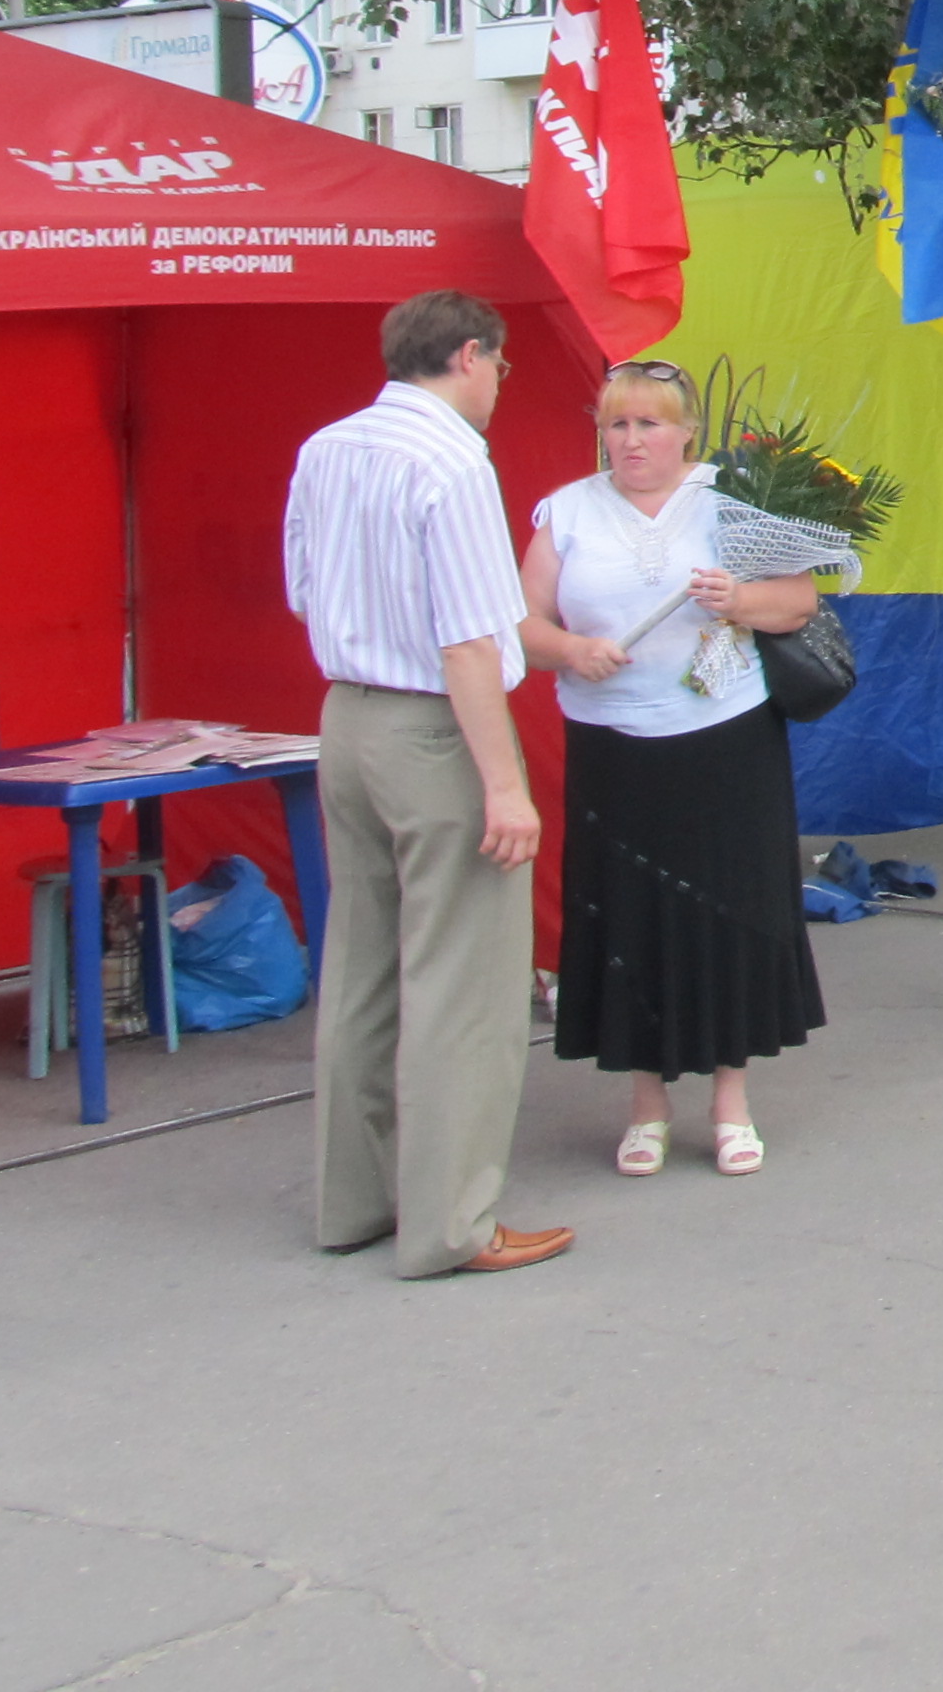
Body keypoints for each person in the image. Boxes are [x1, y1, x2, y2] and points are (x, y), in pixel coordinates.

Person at [282, 289, 567, 1276]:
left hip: (347, 715)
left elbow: (302, 590)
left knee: (360, 965)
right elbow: (470, 642)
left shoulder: (326, 448)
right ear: (471, 356)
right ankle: (452, 1222)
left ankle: (351, 1202)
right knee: (464, 982)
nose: (500, 386)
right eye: (501, 367)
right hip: (435, 727)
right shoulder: (453, 461)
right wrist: (505, 785)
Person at [521, 360, 853, 1177]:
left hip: (725, 737)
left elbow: (799, 601)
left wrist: (736, 600)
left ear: (687, 433)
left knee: (727, 914)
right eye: (618, 424)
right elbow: (520, 624)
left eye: (651, 424)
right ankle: (647, 1107)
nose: (633, 441)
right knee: (629, 920)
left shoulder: (728, 500)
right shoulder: (566, 512)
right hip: (612, 747)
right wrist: (571, 649)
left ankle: (731, 1103)